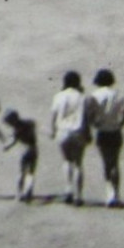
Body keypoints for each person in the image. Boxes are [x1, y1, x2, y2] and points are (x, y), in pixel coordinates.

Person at [87, 68, 124, 207]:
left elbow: (90, 116)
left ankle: (109, 193)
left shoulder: (94, 95)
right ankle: (116, 194)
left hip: (102, 132)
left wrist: (95, 124)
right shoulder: (119, 95)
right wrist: (119, 125)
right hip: (115, 131)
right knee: (115, 163)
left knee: (106, 163)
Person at [49, 71, 90, 205]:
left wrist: (53, 130)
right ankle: (79, 195)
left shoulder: (59, 96)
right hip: (78, 131)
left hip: (63, 131)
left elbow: (53, 115)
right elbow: (86, 117)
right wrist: (88, 133)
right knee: (78, 163)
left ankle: (68, 190)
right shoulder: (82, 97)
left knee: (67, 161)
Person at [0, 109, 38, 202]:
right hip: (33, 149)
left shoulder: (16, 130)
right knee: (31, 172)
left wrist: (6, 147)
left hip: (23, 150)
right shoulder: (29, 123)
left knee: (21, 172)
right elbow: (36, 125)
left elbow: (13, 141)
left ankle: (19, 193)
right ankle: (29, 192)